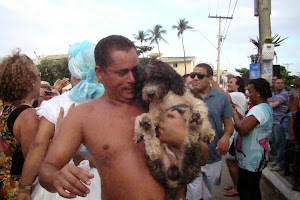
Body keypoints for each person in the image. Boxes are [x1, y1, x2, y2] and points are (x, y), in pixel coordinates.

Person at [37, 35, 208, 200]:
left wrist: (183, 139)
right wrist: (57, 178)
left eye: (135, 70)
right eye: (122, 73)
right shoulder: (83, 116)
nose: (132, 79)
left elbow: (205, 157)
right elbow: (47, 169)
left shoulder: (159, 104)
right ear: (99, 73)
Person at [17, 40, 105, 200]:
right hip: (101, 180)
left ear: (73, 72)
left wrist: (24, 187)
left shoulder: (56, 105)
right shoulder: (110, 104)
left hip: (60, 180)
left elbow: (38, 146)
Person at [187, 63, 234, 200]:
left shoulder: (221, 97)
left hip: (214, 154)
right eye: (193, 75)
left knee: (207, 194)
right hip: (191, 155)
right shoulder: (185, 97)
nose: (195, 78)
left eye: (200, 75)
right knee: (193, 196)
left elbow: (228, 122)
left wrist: (226, 136)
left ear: (210, 78)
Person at [0, 51, 40, 199]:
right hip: (20, 188)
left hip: (4, 183)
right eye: (38, 75)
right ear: (30, 81)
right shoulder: (27, 115)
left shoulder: (4, 109)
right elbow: (34, 158)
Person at [232, 78, 273, 200]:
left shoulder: (259, 109)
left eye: (250, 92)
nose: (248, 96)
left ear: (258, 93)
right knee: (252, 188)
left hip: (251, 159)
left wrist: (233, 111)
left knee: (247, 190)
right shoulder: (264, 107)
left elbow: (243, 129)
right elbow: (245, 121)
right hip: (254, 158)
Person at [212, 76, 248, 197]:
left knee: (231, 161)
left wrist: (211, 80)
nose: (229, 84)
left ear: (238, 85)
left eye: (231, 82)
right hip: (234, 131)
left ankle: (237, 187)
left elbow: (222, 94)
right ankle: (236, 185)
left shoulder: (237, 95)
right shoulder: (239, 96)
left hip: (233, 133)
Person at [268, 78, 289, 171]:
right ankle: (277, 160)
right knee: (274, 142)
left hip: (280, 122)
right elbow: (269, 103)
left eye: (281, 83)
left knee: (280, 143)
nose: (280, 84)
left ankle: (280, 163)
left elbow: (273, 105)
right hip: (273, 121)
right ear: (274, 84)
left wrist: (269, 103)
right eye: (278, 83)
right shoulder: (273, 94)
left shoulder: (284, 94)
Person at [289, 78, 300, 192]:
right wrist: (291, 133)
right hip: (298, 133)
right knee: (297, 159)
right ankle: (296, 183)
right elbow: (291, 115)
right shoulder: (297, 98)